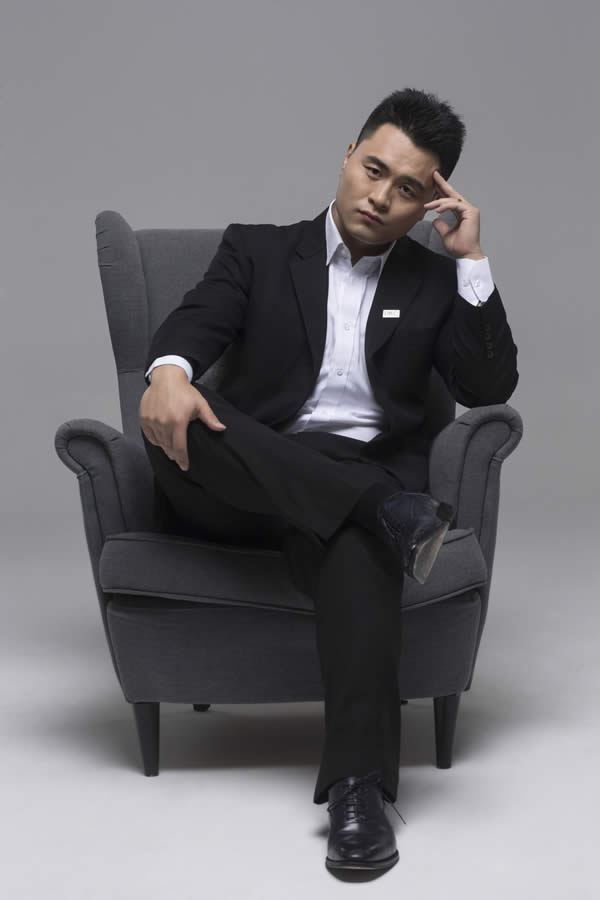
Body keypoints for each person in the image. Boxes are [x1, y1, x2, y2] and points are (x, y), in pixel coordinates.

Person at [139, 87, 518, 874]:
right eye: (373, 170)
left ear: (430, 201)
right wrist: (170, 370)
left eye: (406, 188)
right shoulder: (258, 250)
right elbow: (200, 319)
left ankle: (359, 791)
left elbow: (487, 386)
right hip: (242, 481)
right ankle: (388, 511)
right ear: (347, 156)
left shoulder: (432, 280)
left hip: (351, 483)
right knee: (189, 416)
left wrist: (471, 261)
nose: (380, 197)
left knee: (355, 537)